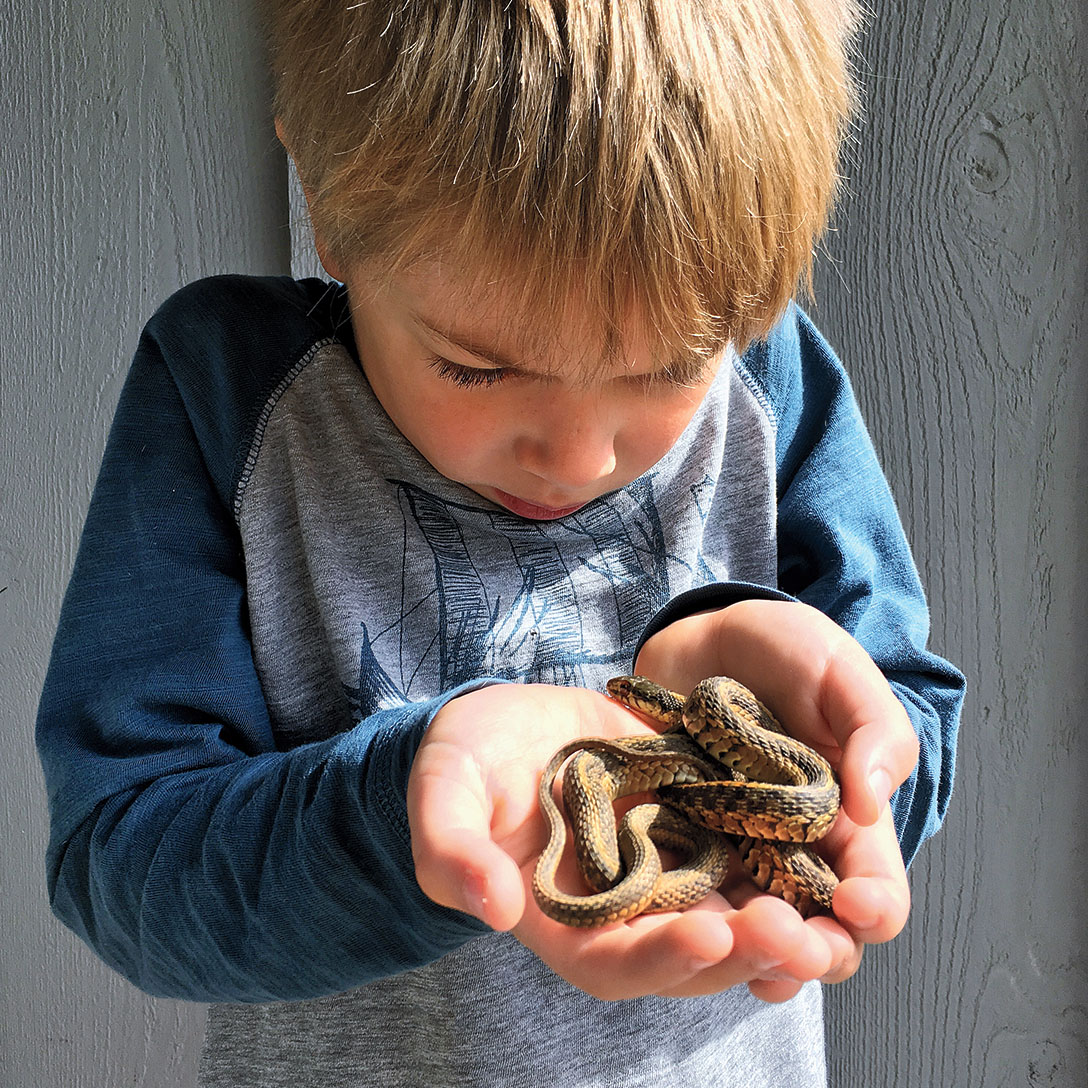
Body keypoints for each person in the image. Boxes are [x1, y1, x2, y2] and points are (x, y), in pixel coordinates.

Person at [36, 2, 964, 1085]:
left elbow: (903, 724)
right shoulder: (224, 398)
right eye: (478, 367)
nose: (573, 456)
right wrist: (400, 808)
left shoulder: (774, 379)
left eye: (668, 368)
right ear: (327, 209)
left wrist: (825, 754)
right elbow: (127, 864)